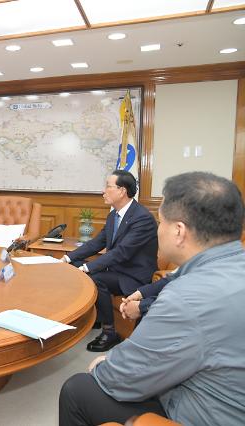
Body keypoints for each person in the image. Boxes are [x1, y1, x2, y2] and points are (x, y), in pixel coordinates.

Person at [59, 171, 245, 426]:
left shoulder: (184, 299)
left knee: (78, 388)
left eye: (161, 222)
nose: (158, 229)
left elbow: (119, 379)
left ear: (178, 231)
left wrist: (105, 364)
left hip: (209, 412)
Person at [61, 170, 158, 352]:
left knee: (94, 278)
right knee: (74, 267)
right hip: (116, 269)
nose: (103, 191)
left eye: (107, 186)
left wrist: (87, 268)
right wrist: (67, 258)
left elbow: (121, 253)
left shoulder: (142, 218)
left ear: (122, 191)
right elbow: (97, 243)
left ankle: (109, 332)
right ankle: (93, 319)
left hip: (133, 275)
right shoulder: (114, 215)